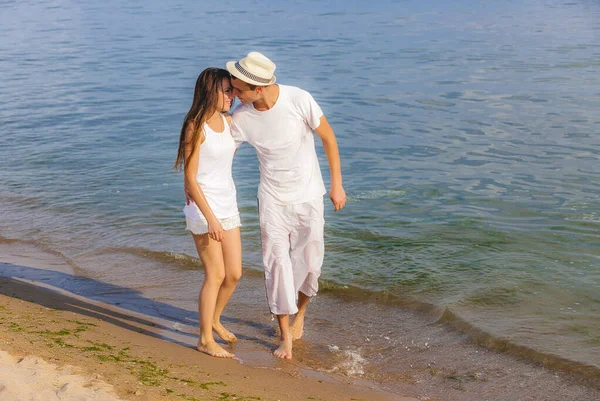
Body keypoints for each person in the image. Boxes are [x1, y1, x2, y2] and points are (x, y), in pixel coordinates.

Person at [226, 52, 346, 360]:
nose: (234, 95)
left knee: (311, 263)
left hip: (309, 196)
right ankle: (284, 337)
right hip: (272, 201)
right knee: (276, 265)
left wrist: (336, 185)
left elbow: (328, 139)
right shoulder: (241, 117)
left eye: (239, 89)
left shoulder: (299, 99)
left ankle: (300, 315)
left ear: (260, 88)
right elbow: (219, 151)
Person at [174, 68, 241, 358]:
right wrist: (210, 217)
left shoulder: (228, 121)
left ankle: (214, 319)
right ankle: (204, 339)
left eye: (232, 90)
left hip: (228, 204)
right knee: (215, 274)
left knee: (235, 274)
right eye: (226, 90)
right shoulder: (195, 125)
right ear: (210, 91)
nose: (232, 95)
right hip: (204, 209)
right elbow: (191, 178)